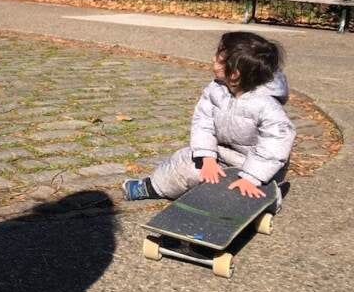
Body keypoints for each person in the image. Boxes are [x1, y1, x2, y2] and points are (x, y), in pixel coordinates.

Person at [122, 31, 296, 207]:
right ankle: (153, 187)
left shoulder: (267, 106)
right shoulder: (215, 90)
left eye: (219, 59)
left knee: (247, 192)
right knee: (184, 164)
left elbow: (275, 146)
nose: (213, 60)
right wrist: (207, 157)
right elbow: (203, 123)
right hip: (218, 156)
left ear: (234, 74)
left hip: (255, 167)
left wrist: (252, 177)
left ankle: (263, 205)